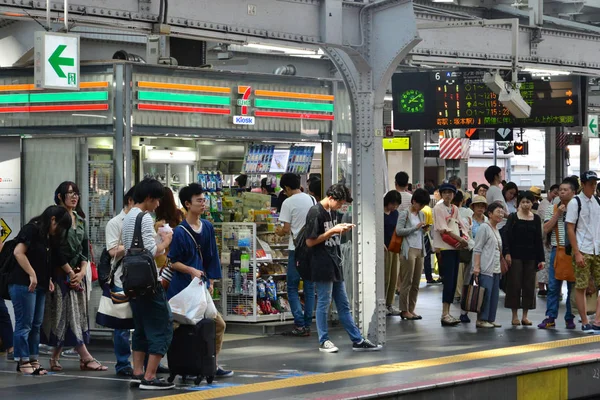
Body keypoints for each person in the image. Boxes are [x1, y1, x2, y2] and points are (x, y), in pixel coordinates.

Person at [305, 184, 381, 353]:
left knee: (343, 304)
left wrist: (336, 230)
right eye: (340, 203)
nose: (341, 207)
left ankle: (357, 339)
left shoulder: (331, 212)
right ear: (331, 198)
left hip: (334, 262)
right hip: (322, 263)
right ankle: (323, 340)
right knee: (324, 303)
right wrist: (332, 231)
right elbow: (309, 241)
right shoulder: (315, 212)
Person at [167, 183, 232, 378]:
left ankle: (212, 363)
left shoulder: (208, 228)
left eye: (204, 200)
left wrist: (211, 281)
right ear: (187, 204)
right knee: (179, 328)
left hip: (201, 288)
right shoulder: (179, 232)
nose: (203, 203)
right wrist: (190, 270)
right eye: (199, 200)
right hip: (182, 290)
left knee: (218, 325)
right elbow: (172, 262)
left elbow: (212, 256)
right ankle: (169, 365)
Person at [43, 181, 108, 372]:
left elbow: (84, 249)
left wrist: (82, 271)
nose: (74, 196)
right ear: (60, 197)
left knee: (74, 316)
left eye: (76, 193)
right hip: (60, 275)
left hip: (77, 276)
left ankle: (55, 357)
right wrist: (72, 273)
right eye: (69, 193)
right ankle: (85, 357)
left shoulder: (80, 220)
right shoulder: (56, 219)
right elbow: (55, 250)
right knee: (65, 316)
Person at [122, 178, 174, 390]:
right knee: (163, 324)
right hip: (148, 281)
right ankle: (150, 376)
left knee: (141, 326)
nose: (158, 205)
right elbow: (152, 251)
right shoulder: (144, 217)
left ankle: (137, 372)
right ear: (150, 198)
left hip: (131, 281)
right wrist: (166, 241)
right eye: (157, 200)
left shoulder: (128, 216)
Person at [10, 206, 72, 375]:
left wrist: (48, 279)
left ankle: (33, 358)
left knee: (36, 325)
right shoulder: (31, 229)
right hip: (23, 283)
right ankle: (22, 360)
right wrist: (32, 274)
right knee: (25, 324)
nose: (60, 231)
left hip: (39, 285)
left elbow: (45, 260)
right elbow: (18, 252)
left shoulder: (47, 236)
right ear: (53, 220)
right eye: (59, 226)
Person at [275, 173, 317, 336]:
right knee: (309, 286)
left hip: (296, 249)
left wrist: (279, 232)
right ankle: (307, 323)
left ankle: (299, 324)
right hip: (311, 248)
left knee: (292, 287)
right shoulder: (312, 200)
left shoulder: (288, 202)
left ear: (286, 188)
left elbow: (286, 229)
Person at [538, 178, 578, 330]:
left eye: (565, 190)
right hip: (557, 249)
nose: (561, 192)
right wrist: (558, 213)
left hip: (574, 250)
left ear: (573, 193)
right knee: (554, 286)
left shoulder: (578, 208)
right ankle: (551, 317)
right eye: (560, 190)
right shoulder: (552, 207)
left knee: (572, 285)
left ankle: (570, 317)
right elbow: (546, 229)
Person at [104, 187, 136, 377]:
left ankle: (147, 362)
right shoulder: (115, 223)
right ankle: (123, 363)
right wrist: (135, 244)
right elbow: (112, 251)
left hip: (144, 279)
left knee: (143, 322)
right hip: (121, 279)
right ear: (131, 201)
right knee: (122, 326)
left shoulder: (144, 221)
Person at [503, 191, 545, 326]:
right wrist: (507, 253)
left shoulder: (536, 219)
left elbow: (539, 240)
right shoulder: (513, 217)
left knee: (529, 286)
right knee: (514, 285)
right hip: (515, 256)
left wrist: (541, 259)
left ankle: (525, 316)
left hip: (531, 257)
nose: (526, 204)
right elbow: (507, 236)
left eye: (528, 202)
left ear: (533, 203)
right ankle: (514, 315)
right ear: (518, 204)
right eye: (523, 202)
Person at [566, 171, 600, 333]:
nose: (593, 186)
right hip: (582, 249)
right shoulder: (575, 202)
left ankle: (597, 321)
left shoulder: (597, 202)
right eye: (591, 183)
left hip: (597, 249)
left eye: (595, 183)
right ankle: (585, 321)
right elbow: (570, 228)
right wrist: (577, 252)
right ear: (584, 184)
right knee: (581, 286)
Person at [432, 183, 469, 326]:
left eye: (450, 192)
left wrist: (465, 238)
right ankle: (444, 313)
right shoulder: (438, 208)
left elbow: (462, 226)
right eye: (445, 192)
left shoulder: (454, 209)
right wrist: (460, 240)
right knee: (448, 280)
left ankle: (447, 312)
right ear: (441, 194)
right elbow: (443, 229)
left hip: (455, 247)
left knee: (453, 280)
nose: (448, 195)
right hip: (446, 248)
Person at [395, 189, 430, 320]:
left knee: (416, 282)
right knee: (407, 281)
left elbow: (421, 232)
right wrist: (415, 228)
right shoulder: (404, 213)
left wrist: (424, 229)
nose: (421, 207)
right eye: (420, 204)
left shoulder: (421, 215)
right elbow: (399, 231)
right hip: (408, 249)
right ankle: (404, 310)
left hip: (420, 248)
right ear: (414, 201)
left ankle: (411, 309)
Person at [472, 203, 505, 329]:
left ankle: (491, 318)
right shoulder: (484, 228)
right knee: (485, 294)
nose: (501, 214)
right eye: (498, 212)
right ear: (490, 214)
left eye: (502, 212)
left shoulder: (496, 228)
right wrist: (476, 267)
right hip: (486, 267)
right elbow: (478, 248)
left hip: (495, 268)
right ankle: (481, 319)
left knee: (494, 294)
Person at [459, 195, 488, 323]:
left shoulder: (487, 220)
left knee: (484, 283)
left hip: (486, 255)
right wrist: (475, 247)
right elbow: (465, 235)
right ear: (473, 207)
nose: (480, 208)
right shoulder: (468, 220)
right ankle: (464, 311)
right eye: (478, 205)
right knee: (468, 281)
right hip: (472, 254)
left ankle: (481, 311)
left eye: (482, 206)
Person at [154, 187, 184, 272]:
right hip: (179, 260)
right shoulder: (180, 215)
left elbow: (156, 247)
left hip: (164, 263)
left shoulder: (159, 224)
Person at [383, 191, 401, 316]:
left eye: (396, 205)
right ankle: (381, 303)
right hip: (383, 248)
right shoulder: (379, 213)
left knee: (393, 277)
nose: (394, 207)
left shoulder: (396, 214)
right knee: (385, 277)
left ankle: (389, 303)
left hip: (394, 247)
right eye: (393, 204)